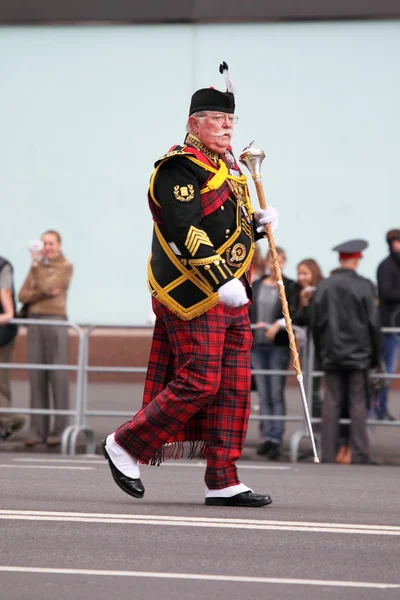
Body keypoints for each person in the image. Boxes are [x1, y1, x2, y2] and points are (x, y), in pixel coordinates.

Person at [102, 62, 279, 507]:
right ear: (193, 123)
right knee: (200, 380)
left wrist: (256, 227)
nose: (226, 127)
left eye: (231, 121)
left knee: (235, 386)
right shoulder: (178, 168)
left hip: (233, 291)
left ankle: (223, 478)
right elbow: (186, 232)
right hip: (193, 291)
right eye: (218, 120)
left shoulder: (229, 167)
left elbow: (225, 228)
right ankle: (125, 443)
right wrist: (222, 280)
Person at [310, 240, 382, 465]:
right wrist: (375, 356)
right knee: (358, 402)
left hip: (331, 352)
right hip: (359, 353)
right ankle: (359, 453)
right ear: (357, 258)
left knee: (331, 403)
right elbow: (373, 323)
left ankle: (328, 453)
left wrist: (322, 352)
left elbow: (316, 323)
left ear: (340, 258)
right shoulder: (365, 285)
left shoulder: (325, 285)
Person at [18, 230, 73, 447]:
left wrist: (39, 278)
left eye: (50, 243)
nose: (47, 247)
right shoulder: (38, 267)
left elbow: (49, 287)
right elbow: (23, 295)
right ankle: (37, 430)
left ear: (59, 245)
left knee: (58, 377)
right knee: (37, 377)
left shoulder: (65, 266)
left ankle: (60, 431)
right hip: (35, 322)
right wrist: (43, 289)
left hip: (55, 321)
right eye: (44, 243)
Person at [249, 247, 295, 460]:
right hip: (257, 345)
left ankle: (276, 437)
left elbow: (292, 313)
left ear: (284, 263)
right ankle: (265, 437)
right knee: (264, 393)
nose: (275, 263)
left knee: (276, 391)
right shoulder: (257, 285)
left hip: (277, 346)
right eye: (272, 259)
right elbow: (248, 308)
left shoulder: (289, 285)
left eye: (280, 260)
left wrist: (276, 324)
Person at [292, 258, 324, 420]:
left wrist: (310, 302)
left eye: (305, 273)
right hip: (309, 347)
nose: (301, 277)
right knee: (310, 389)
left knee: (317, 391)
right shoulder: (302, 293)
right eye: (299, 273)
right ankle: (315, 427)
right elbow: (297, 320)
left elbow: (315, 321)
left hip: (321, 348)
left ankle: (321, 428)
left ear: (314, 273)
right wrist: (304, 302)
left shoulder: (322, 291)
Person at [0, 256, 25, 441]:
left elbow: (5, 291)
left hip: (2, 333)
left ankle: (8, 420)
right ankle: (9, 419)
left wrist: (8, 313)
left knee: (1, 380)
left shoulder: (3, 265)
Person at [376, 229, 400, 420]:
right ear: (393, 243)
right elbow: (386, 293)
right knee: (387, 370)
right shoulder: (386, 266)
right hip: (390, 327)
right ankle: (379, 409)